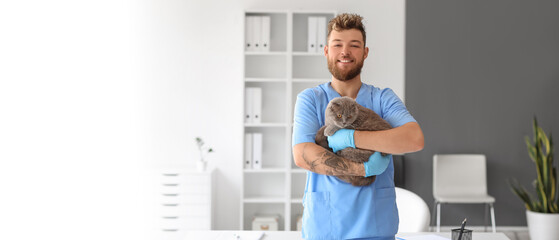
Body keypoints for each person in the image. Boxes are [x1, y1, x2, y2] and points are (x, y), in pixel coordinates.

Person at [292, 13, 424, 240]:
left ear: (365, 52)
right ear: (326, 51)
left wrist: (350, 139)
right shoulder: (310, 99)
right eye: (337, 45)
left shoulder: (383, 99)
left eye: (354, 45)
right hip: (325, 229)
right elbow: (302, 154)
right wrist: (362, 170)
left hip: (375, 229)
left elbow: (414, 139)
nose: (345, 52)